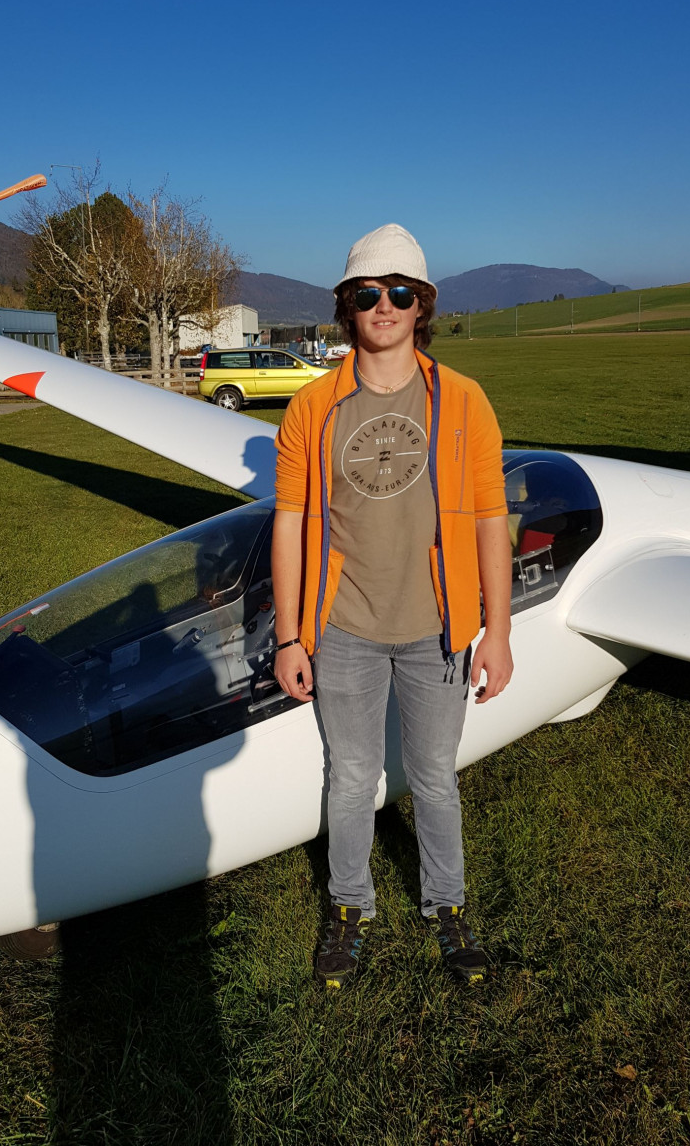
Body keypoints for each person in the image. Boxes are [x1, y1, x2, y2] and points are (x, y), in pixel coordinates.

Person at [271, 223, 513, 989]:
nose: (384, 306)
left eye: (400, 293)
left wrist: (496, 631)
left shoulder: (464, 401)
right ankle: (349, 910)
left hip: (439, 629)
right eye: (368, 293)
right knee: (351, 777)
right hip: (340, 627)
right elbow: (286, 523)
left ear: (422, 307)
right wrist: (289, 636)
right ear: (347, 307)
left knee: (435, 777)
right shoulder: (311, 410)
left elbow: (488, 520)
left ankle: (446, 906)